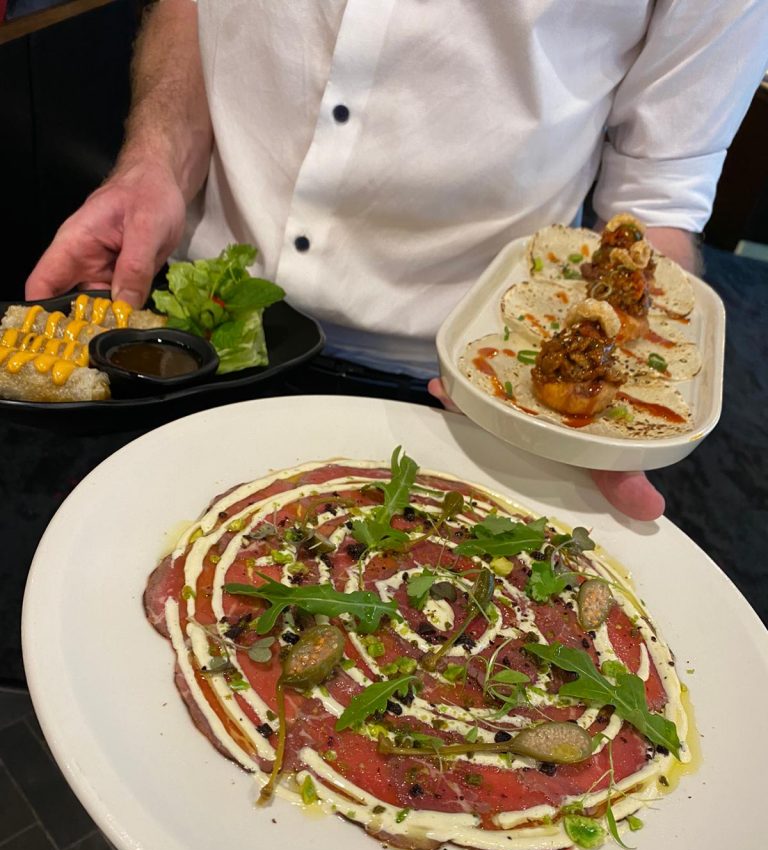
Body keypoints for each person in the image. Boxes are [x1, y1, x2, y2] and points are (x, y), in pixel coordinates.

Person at [25, 1, 767, 519]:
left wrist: (614, 403)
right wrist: (151, 160)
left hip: (464, 393)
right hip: (194, 332)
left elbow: (657, 197)